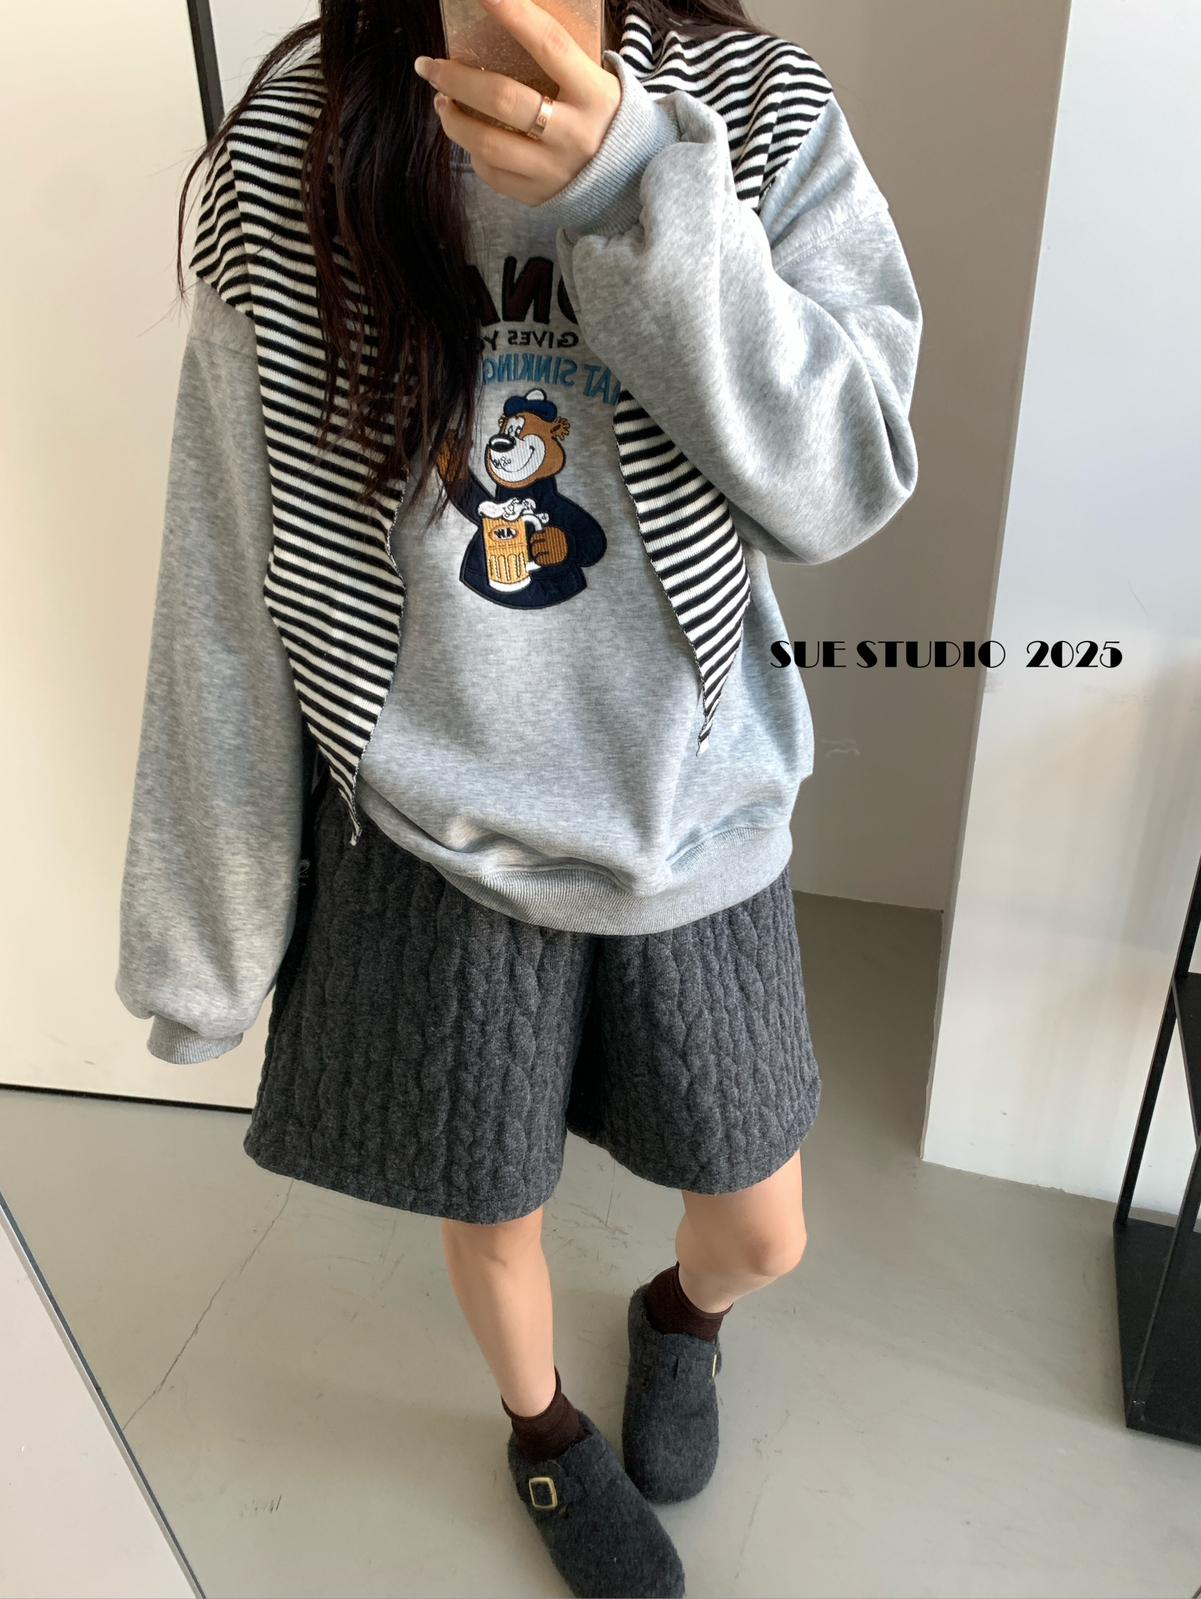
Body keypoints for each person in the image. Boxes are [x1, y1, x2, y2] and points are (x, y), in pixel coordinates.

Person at [116, 0, 921, 1592]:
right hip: (431, 824)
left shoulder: (751, 107)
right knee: (493, 1216)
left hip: (689, 807)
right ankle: (543, 1432)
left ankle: (680, 1317)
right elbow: (228, 558)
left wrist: (632, 187)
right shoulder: (302, 139)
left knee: (761, 1229)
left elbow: (843, 474)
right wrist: (203, 937)